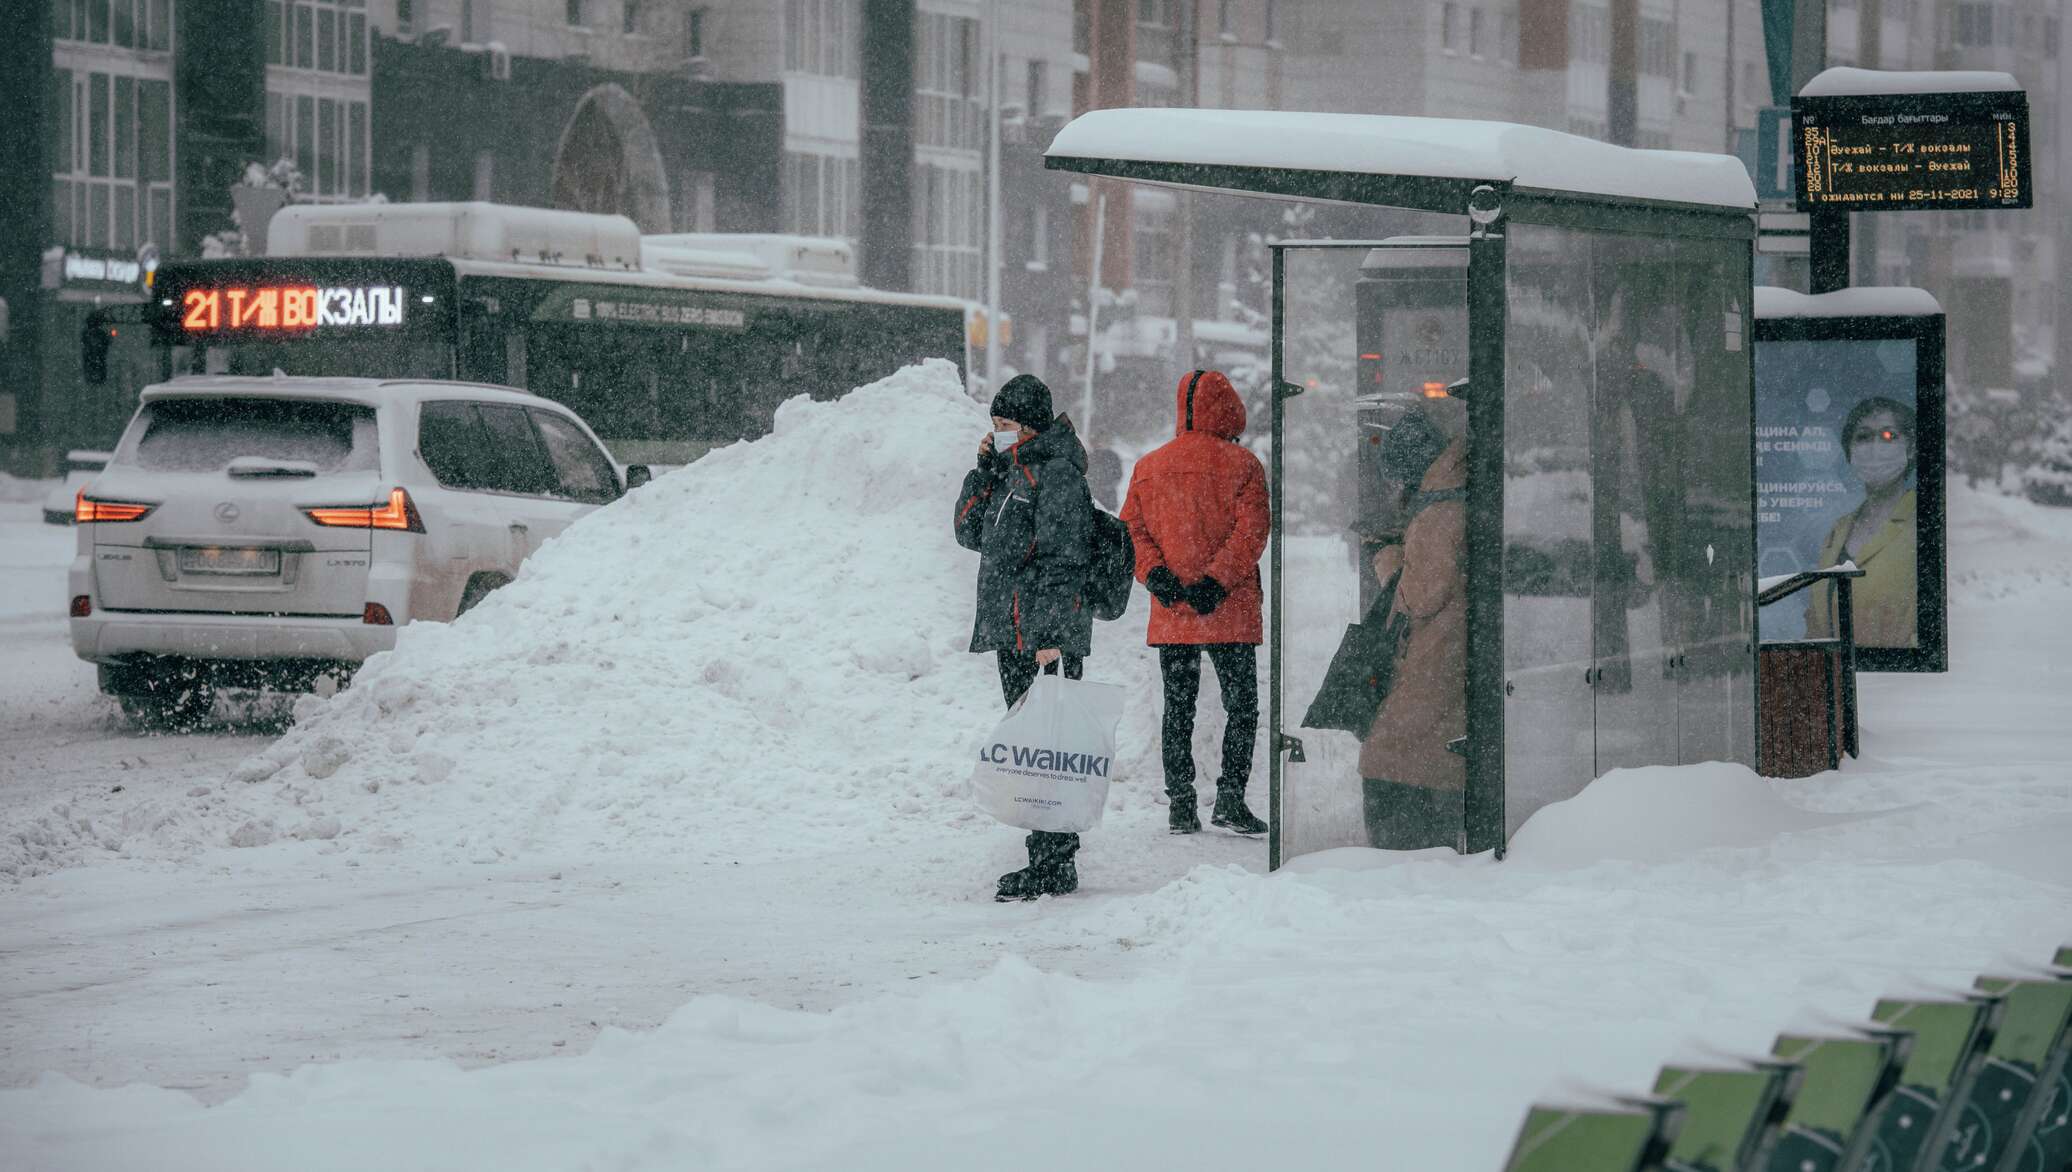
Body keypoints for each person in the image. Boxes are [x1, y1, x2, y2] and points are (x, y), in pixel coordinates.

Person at [953, 373, 1098, 901]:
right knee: (1031, 748)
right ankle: (1048, 854)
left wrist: (1053, 636)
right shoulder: (1011, 474)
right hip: (1013, 631)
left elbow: (1066, 558)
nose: (999, 432)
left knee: (1051, 747)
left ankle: (1055, 861)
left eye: (1006, 424)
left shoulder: (1057, 473)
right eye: (994, 425)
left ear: (1031, 425)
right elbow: (971, 534)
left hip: (1043, 634)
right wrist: (984, 471)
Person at [1120, 370, 1271, 836]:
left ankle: (1181, 806)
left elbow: (1131, 531)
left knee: (1177, 708)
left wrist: (1158, 576)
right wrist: (1217, 581)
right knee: (1242, 706)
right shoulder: (1244, 465)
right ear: (1228, 408)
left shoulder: (1149, 466)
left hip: (1174, 612)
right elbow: (1252, 532)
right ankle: (1230, 799)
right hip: (1227, 608)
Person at [1359, 397, 1468, 851]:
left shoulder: (1437, 515)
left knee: (1391, 751)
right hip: (1446, 650)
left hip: (1432, 654)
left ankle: (1403, 847)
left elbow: (1420, 595)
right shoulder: (1450, 495)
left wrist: (1385, 555)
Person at [1806, 396, 1918, 648]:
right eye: (1863, 437)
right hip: (1837, 673)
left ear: (1911, 448)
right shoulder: (1838, 531)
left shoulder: (1922, 523)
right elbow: (1817, 620)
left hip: (1894, 678)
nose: (1875, 447)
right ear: (1849, 450)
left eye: (1889, 436)